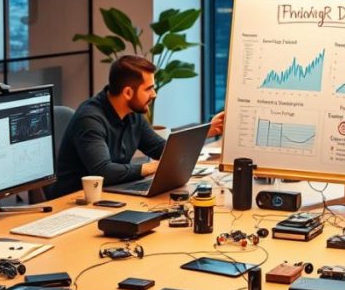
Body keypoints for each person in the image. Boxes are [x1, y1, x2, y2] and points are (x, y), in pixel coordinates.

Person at [48, 55, 224, 198]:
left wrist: (206, 132)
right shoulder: (90, 119)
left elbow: (161, 149)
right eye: (148, 89)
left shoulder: (132, 114)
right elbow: (103, 172)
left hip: (109, 193)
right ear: (128, 92)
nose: (154, 94)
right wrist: (149, 168)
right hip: (73, 201)